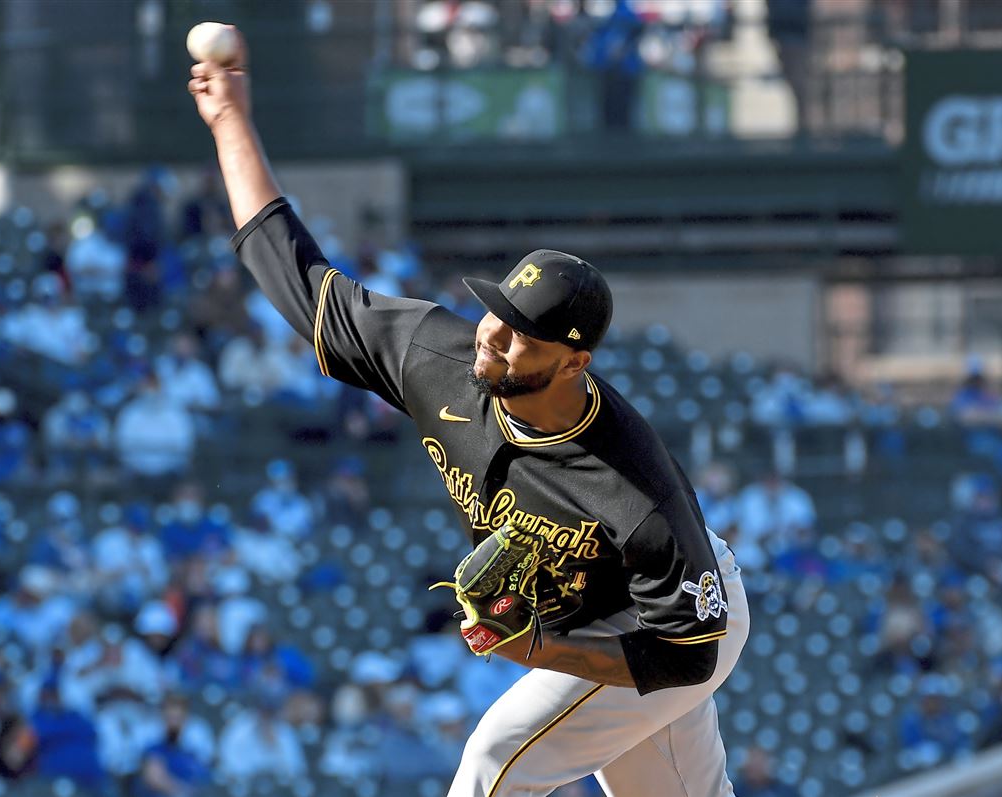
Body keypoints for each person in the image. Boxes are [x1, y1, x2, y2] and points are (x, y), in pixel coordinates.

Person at [188, 29, 750, 796]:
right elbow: (292, 271)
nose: (492, 331)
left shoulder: (633, 487)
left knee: (494, 761)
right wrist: (231, 124)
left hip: (669, 621)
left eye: (522, 332)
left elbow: (686, 657)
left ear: (574, 361)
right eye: (495, 309)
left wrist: (542, 649)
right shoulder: (437, 355)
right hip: (609, 615)